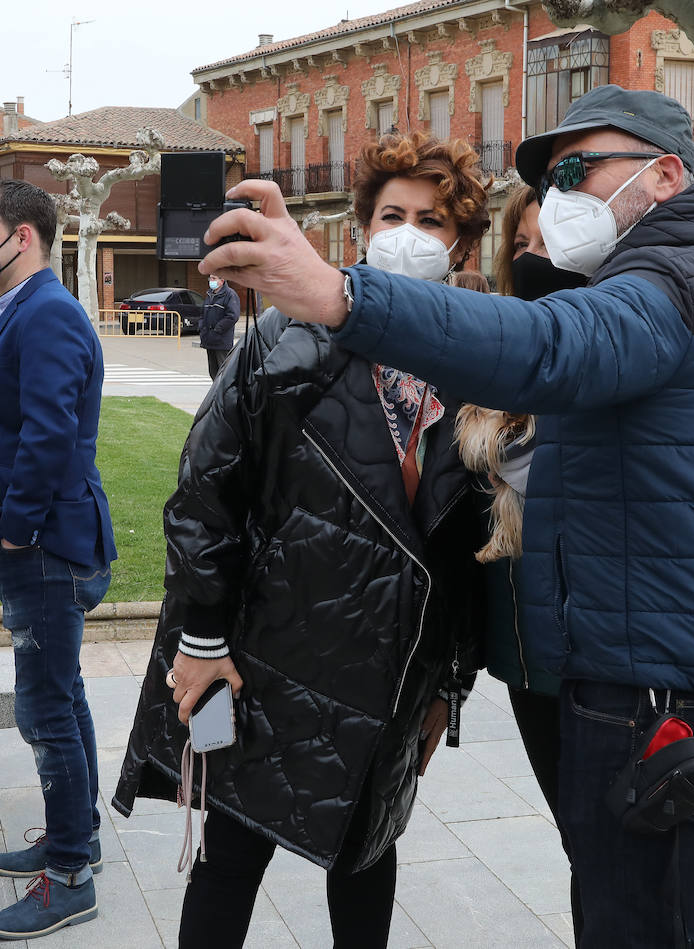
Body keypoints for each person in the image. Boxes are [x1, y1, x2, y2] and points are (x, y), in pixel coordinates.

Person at [200, 84, 694, 948]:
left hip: (648, 684)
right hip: (681, 668)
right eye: (551, 181)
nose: (559, 201)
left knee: (634, 917)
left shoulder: (671, 277)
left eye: (580, 171)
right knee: (692, 904)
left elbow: (545, 348)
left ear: (666, 175)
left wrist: (340, 294)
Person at [115, 131, 490, 949]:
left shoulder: (480, 368)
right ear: (360, 230)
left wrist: (447, 686)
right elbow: (204, 496)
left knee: (364, 861)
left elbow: (468, 553)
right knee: (229, 859)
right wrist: (204, 640)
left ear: (459, 241)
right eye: (393, 214)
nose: (408, 233)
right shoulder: (288, 341)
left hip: (390, 674)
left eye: (431, 220)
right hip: (267, 656)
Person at [0, 179, 117, 940]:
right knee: (64, 689)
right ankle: (71, 836)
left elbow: (49, 435)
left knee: (45, 704)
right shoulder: (20, 306)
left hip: (47, 541)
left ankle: (70, 877)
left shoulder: (48, 312)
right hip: (43, 534)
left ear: (23, 236)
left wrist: (15, 531)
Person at [452, 181, 589, 942]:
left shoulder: (616, 345)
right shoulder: (495, 363)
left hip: (606, 648)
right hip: (528, 649)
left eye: (552, 244)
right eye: (524, 245)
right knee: (580, 840)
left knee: (621, 849)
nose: (536, 260)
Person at [198, 274, 240, 379]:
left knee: (223, 373)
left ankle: (224, 394)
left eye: (214, 278)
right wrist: (202, 328)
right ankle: (216, 394)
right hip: (209, 340)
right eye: (210, 278)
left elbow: (232, 316)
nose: (211, 281)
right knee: (213, 372)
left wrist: (217, 329)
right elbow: (203, 314)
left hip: (221, 341)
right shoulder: (209, 295)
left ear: (222, 280)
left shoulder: (230, 295)